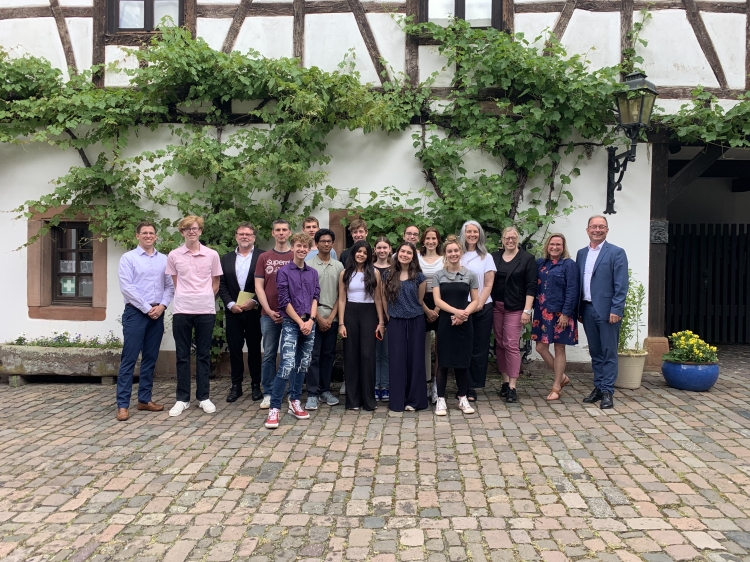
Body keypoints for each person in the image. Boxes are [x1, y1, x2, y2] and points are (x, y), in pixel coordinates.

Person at [115, 221, 174, 421]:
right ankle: (123, 405)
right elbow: (127, 288)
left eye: (151, 233)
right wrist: (147, 308)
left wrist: (162, 306)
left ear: (156, 236)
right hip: (136, 313)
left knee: (150, 358)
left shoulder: (164, 260)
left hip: (157, 312)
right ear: (137, 236)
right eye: (144, 233)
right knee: (129, 358)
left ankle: (144, 399)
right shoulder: (128, 258)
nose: (148, 236)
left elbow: (170, 286)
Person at [166, 215, 223, 417]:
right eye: (188, 228)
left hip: (205, 310)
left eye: (196, 228)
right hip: (182, 310)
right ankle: (182, 399)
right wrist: (188, 296)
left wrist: (205, 296)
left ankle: (203, 397)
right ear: (182, 232)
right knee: (182, 356)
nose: (192, 231)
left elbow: (215, 282)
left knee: (203, 355)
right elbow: (175, 282)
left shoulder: (212, 255)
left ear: (200, 231)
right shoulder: (174, 255)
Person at [264, 233, 320, 429]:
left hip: (309, 323)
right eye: (299, 246)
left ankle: (294, 400)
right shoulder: (284, 272)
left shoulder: (313, 272)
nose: (302, 249)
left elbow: (315, 297)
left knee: (303, 364)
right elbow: (283, 301)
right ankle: (275, 408)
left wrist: (311, 320)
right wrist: (300, 322)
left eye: (305, 246)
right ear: (293, 247)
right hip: (291, 323)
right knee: (287, 364)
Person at [576, 215, 628, 410]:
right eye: (593, 226)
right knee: (595, 352)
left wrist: (616, 308)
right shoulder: (581, 253)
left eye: (601, 227)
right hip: (587, 309)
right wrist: (579, 309)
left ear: (607, 229)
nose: (597, 230)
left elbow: (621, 284)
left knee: (609, 352)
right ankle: (598, 387)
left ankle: (608, 391)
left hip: (607, 312)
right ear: (587, 229)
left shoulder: (616, 252)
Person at [432, 235, 479, 416]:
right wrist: (455, 312)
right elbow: (437, 300)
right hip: (445, 322)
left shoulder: (470, 275)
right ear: (445, 254)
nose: (453, 254)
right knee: (443, 362)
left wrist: (464, 314)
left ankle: (462, 397)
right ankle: (441, 400)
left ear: (461, 253)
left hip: (465, 323)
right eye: (449, 251)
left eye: (456, 251)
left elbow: (475, 301)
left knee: (462, 362)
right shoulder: (438, 275)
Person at [218, 222, 264, 403]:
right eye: (241, 234)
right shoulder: (226, 258)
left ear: (254, 237)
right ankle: (235, 386)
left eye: (248, 234)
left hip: (254, 312)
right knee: (235, 350)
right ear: (236, 236)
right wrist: (230, 304)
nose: (245, 237)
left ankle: (255, 386)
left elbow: (268, 284)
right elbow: (221, 284)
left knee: (254, 350)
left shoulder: (262, 256)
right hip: (233, 313)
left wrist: (255, 301)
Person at [491, 226, 537, 403]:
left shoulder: (527, 259)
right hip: (497, 306)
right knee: (500, 344)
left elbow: (531, 286)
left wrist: (527, 310)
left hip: (516, 308)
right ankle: (504, 381)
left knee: (511, 344)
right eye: (507, 238)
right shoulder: (494, 257)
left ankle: (512, 386)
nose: (510, 241)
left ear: (518, 239)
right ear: (502, 240)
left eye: (513, 238)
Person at [338, 241, 385, 410]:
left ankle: (368, 400)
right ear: (353, 253)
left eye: (365, 252)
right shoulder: (345, 273)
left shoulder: (375, 273)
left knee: (367, 356)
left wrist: (381, 322)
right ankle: (353, 400)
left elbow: (378, 298)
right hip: (350, 312)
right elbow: (342, 299)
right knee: (351, 356)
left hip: (369, 313)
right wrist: (341, 323)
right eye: (358, 252)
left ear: (368, 255)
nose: (361, 255)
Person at [532, 233, 580, 401]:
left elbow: (573, 290)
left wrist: (566, 314)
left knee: (559, 349)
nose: (555, 247)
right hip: (542, 312)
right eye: (552, 244)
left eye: (558, 244)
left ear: (563, 246)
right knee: (540, 347)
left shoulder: (569, 265)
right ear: (547, 245)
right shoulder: (540, 263)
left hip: (561, 314)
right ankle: (563, 377)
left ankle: (556, 387)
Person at [383, 242, 428, 412]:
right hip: (396, 321)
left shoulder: (419, 277)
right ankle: (397, 401)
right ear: (397, 253)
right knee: (396, 360)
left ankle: (415, 400)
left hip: (416, 320)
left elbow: (420, 300)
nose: (405, 254)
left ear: (413, 256)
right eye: (403, 251)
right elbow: (385, 299)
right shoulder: (387, 275)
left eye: (409, 252)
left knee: (416, 360)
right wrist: (389, 318)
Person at [255, 219, 293, 408]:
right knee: (269, 354)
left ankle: (288, 391)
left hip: (291, 316)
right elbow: (259, 286)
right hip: (268, 314)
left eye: (284, 230)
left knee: (289, 355)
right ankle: (268, 392)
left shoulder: (295, 256)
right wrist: (269, 311)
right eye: (277, 230)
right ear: (273, 233)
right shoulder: (264, 257)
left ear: (289, 233)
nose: (281, 233)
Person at [459, 221, 496, 402]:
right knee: (462, 346)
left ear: (480, 234)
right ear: (463, 234)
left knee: (478, 347)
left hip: (482, 306)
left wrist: (479, 302)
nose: (472, 234)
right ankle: (462, 384)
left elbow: (488, 283)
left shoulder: (486, 257)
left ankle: (472, 386)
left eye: (475, 231)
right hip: (460, 306)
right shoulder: (457, 254)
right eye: (469, 231)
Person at [306, 228, 343, 409]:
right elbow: (307, 295)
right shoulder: (309, 265)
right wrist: (319, 318)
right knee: (313, 356)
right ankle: (312, 392)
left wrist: (331, 317)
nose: (326, 244)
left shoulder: (339, 266)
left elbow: (341, 295)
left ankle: (325, 390)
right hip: (313, 317)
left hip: (333, 319)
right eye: (323, 241)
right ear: (317, 243)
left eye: (329, 241)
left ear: (332, 243)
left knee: (328, 356)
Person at [338, 218, 369, 395]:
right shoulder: (344, 255)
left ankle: (368, 383)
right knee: (350, 348)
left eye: (361, 231)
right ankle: (348, 381)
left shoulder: (370, 252)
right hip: (350, 306)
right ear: (351, 235)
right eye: (355, 232)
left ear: (366, 232)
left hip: (368, 307)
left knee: (367, 351)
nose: (358, 234)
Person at [418, 227, 442, 400]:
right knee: (419, 347)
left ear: (438, 240)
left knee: (440, 348)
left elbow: (448, 283)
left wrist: (437, 309)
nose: (431, 241)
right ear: (423, 240)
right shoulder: (417, 258)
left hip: (441, 302)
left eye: (434, 238)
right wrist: (426, 309)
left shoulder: (445, 259)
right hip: (420, 302)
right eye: (428, 238)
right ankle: (421, 383)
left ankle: (436, 385)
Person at [373, 237, 392, 401]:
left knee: (386, 352)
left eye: (385, 247)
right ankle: (374, 384)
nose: (382, 250)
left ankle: (385, 385)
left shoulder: (394, 269)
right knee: (373, 352)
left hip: (390, 314)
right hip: (371, 314)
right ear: (375, 250)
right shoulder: (369, 268)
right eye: (379, 247)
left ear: (390, 249)